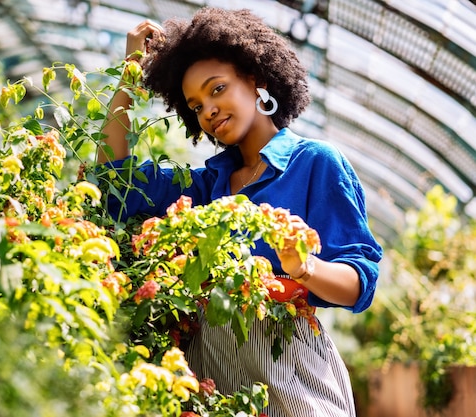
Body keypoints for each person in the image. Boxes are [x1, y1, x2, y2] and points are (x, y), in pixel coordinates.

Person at [97, 7, 382, 417]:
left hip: (293, 376)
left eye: (217, 89)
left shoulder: (314, 163)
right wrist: (129, 71)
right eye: (195, 106)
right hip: (212, 379)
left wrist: (304, 268)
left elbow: (360, 284)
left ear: (256, 80)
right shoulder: (205, 187)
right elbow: (114, 183)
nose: (208, 111)